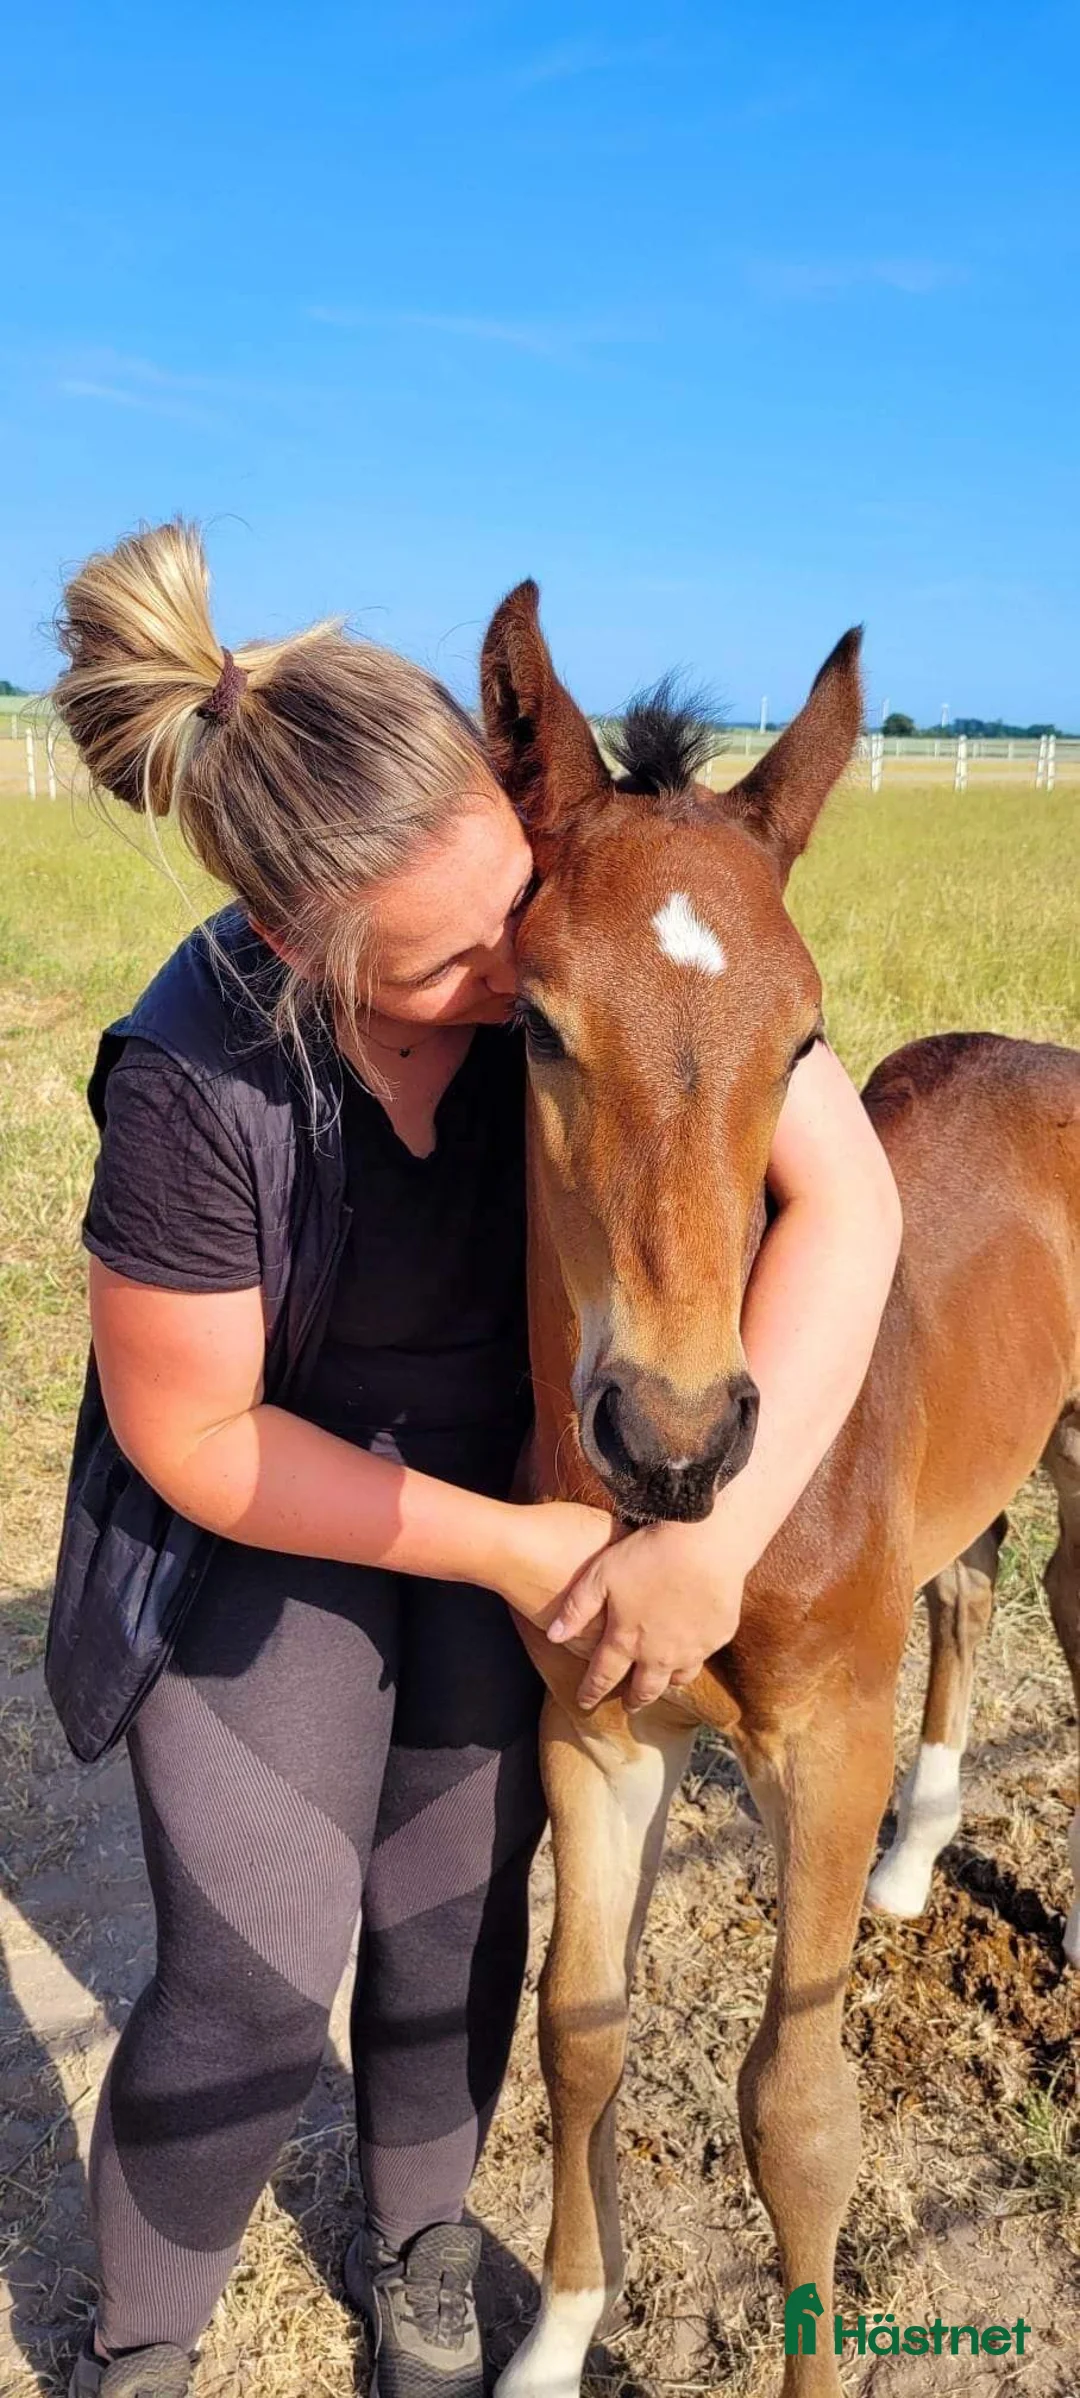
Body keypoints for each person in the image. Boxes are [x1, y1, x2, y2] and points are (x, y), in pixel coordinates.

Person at [47, 521, 902, 2398]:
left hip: (516, 1464)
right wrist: (523, 1553)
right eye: (461, 961)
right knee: (254, 1976)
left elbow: (851, 1198)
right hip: (275, 1502)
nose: (522, 965)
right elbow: (188, 1432)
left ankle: (426, 2231)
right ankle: (146, 2343)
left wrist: (715, 1533)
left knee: (456, 1911)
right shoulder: (201, 1078)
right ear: (296, 944)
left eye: (523, 905)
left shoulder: (578, 935)